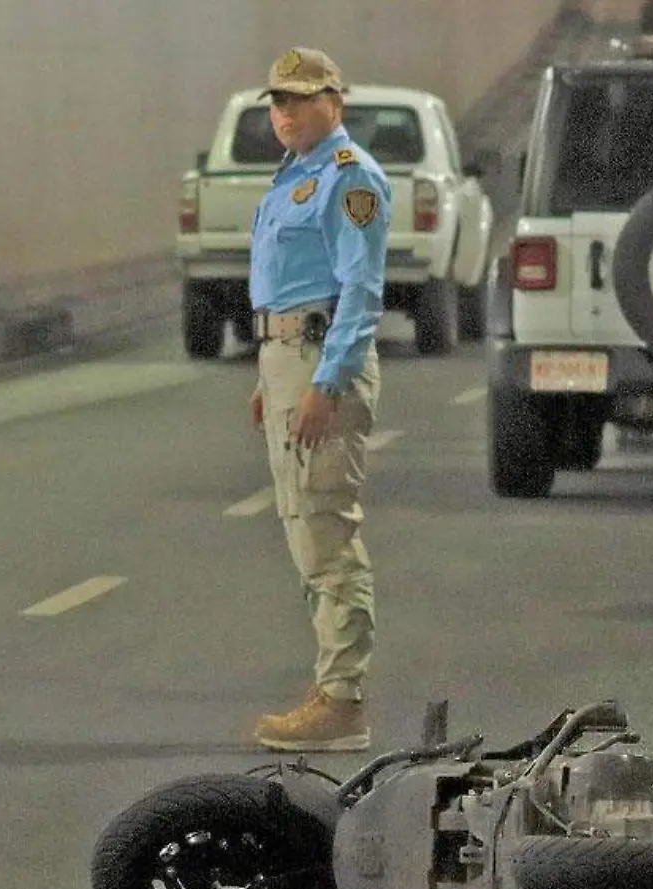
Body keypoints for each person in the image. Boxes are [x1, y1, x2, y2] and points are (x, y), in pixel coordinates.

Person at [245, 47, 393, 751]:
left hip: (319, 362)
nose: (284, 113)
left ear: (335, 99)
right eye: (276, 101)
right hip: (287, 359)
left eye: (300, 100)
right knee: (304, 528)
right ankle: (329, 683)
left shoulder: (348, 178)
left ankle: (343, 703)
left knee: (327, 532)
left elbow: (359, 292)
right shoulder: (294, 178)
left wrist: (325, 384)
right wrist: (269, 378)